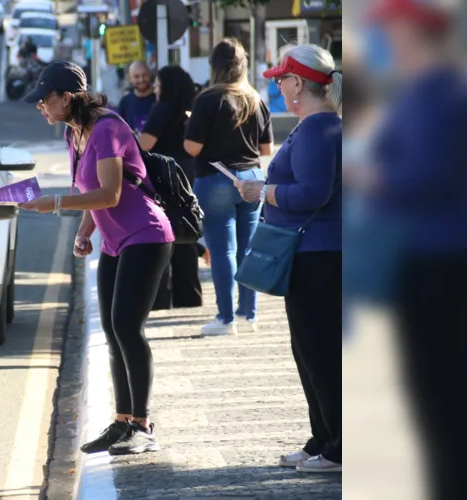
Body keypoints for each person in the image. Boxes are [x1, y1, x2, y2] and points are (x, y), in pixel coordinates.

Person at [18, 61, 174, 456]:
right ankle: (123, 422)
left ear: (66, 98)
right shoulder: (75, 133)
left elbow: (110, 194)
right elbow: (92, 196)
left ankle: (143, 425)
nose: (40, 107)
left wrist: (55, 203)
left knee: (126, 325)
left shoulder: (107, 128)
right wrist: (84, 232)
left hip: (147, 234)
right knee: (110, 327)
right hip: (114, 241)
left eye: (44, 100)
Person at [359, 1, 466, 496]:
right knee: (433, 402)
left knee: (440, 401)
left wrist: (371, 177)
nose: (384, 44)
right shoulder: (425, 93)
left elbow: (423, 176)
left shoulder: (438, 95)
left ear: (415, 35)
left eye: (390, 33)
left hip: (438, 263)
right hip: (423, 260)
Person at [235, 43, 342, 474]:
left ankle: (338, 449)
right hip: (311, 253)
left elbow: (314, 193)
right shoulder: (315, 125)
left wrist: (263, 191)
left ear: (298, 82)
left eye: (282, 79)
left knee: (321, 353)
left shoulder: (319, 128)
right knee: (308, 351)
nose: (278, 86)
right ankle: (323, 439)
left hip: (320, 255)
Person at [184, 38, 273, 336]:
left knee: (222, 251)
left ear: (215, 66)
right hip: (251, 179)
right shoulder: (256, 99)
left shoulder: (208, 100)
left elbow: (193, 148)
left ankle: (225, 319)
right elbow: (266, 149)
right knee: (248, 249)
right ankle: (249, 314)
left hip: (216, 179)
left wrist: (191, 126)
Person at [138, 65, 203, 309]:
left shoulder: (162, 109)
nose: (155, 88)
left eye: (158, 83)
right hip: (189, 174)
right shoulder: (193, 108)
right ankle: (189, 297)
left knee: (162, 236)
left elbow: (145, 144)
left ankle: (159, 300)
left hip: (164, 178)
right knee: (186, 235)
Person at [116, 61, 155, 134]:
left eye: (144, 75)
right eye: (136, 76)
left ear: (150, 74)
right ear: (130, 78)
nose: (141, 79)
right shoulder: (125, 102)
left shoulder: (159, 99)